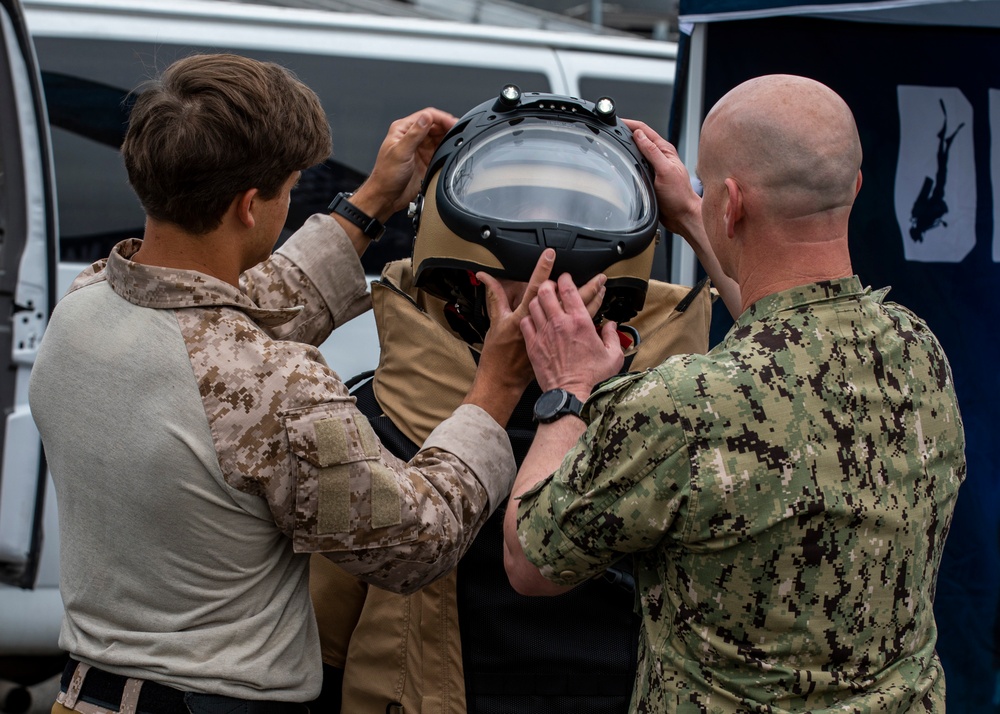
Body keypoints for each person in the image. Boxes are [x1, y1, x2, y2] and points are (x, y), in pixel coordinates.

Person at [28, 53, 554, 714]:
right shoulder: (276, 386)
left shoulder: (86, 304)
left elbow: (230, 314)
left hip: (85, 697)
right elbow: (415, 542)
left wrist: (368, 205)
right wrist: (495, 390)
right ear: (252, 205)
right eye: (289, 189)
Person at [504, 73, 967, 713]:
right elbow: (788, 345)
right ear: (855, 187)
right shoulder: (919, 353)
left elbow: (530, 560)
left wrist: (567, 394)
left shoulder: (679, 406)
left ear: (733, 204)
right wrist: (700, 217)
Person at [307, 86, 720, 713]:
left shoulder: (378, 421)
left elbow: (319, 648)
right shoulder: (699, 419)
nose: (539, 293)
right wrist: (690, 214)